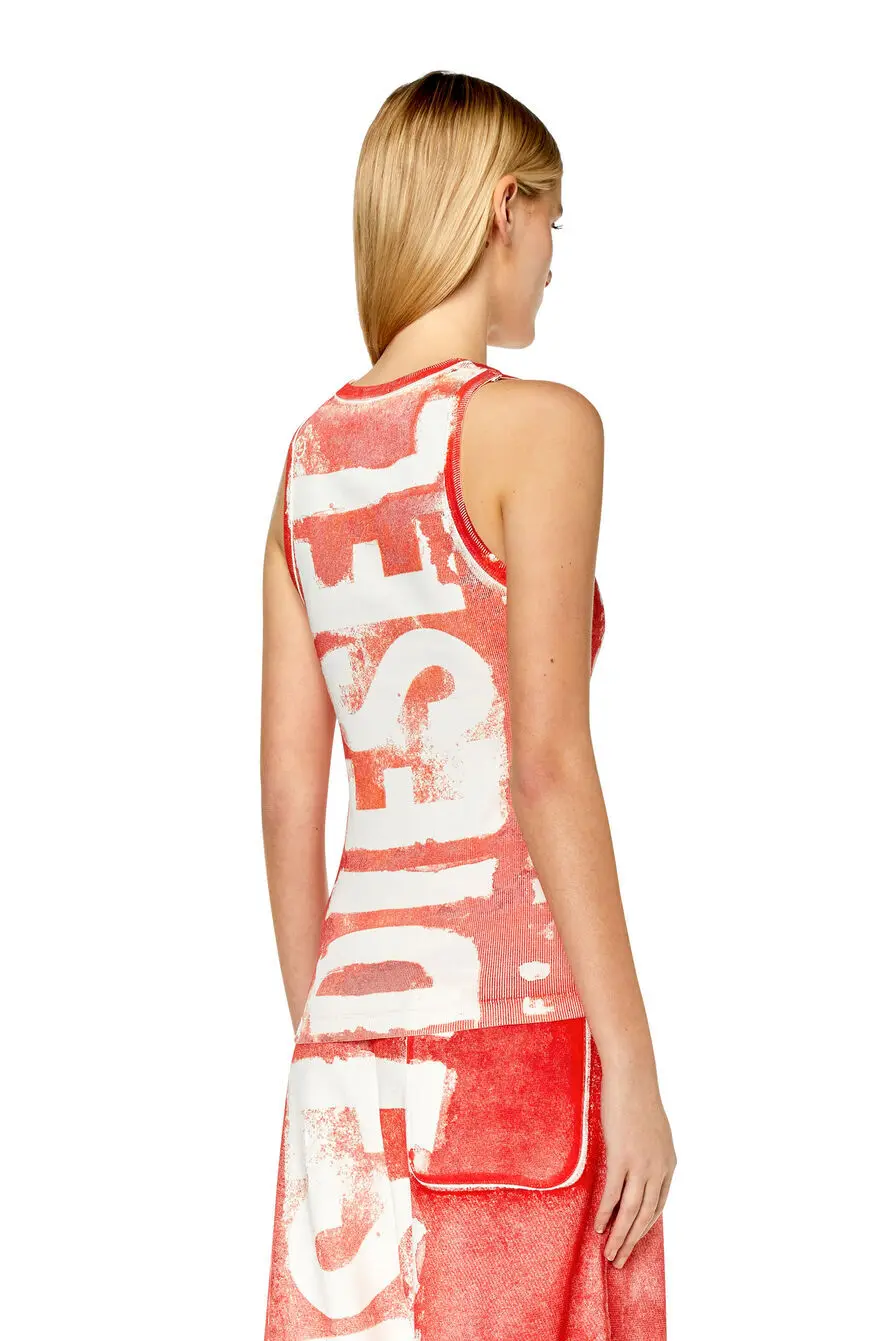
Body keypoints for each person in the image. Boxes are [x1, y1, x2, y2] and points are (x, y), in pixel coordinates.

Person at [260, 70, 675, 1340]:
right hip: (513, 1039)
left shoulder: (309, 460)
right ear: (505, 208)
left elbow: (288, 793)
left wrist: (332, 1047)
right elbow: (547, 763)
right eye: (552, 219)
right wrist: (635, 1068)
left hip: (342, 1051)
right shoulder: (543, 428)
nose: (551, 256)